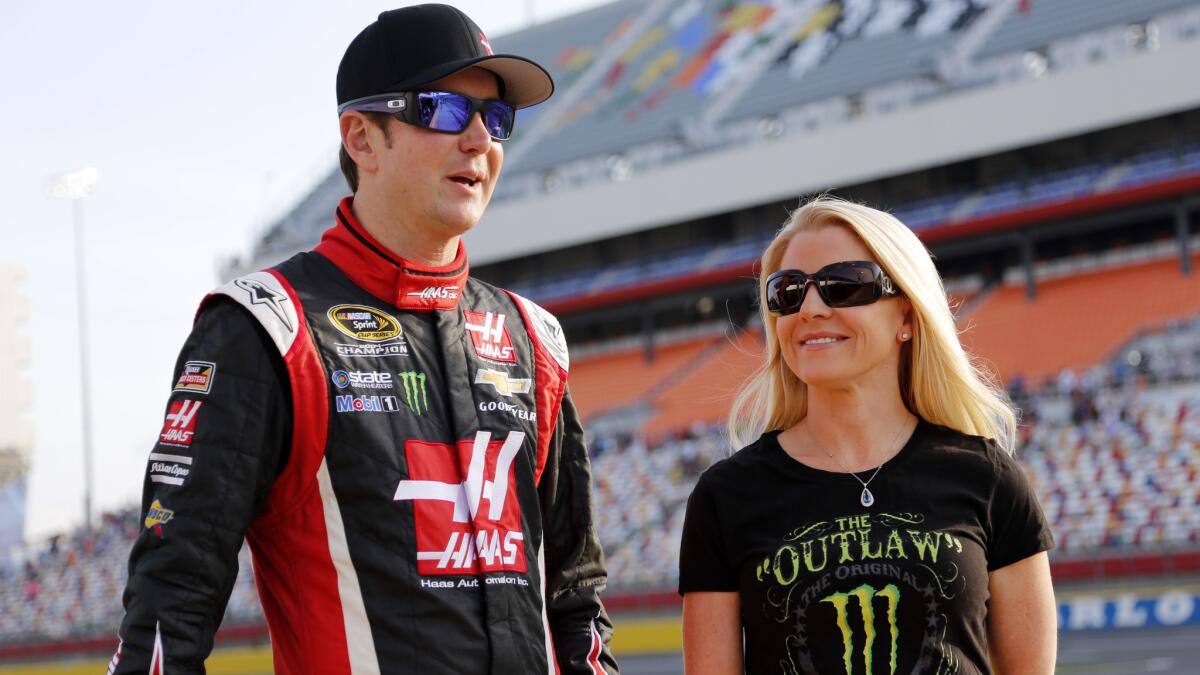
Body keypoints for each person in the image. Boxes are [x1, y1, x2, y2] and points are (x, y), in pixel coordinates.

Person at [109, 5, 618, 674]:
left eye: (496, 119)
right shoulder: (266, 326)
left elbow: (577, 599)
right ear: (362, 138)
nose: (478, 140)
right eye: (441, 109)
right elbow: (167, 608)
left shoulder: (534, 337)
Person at [678, 197, 1056, 674]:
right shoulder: (725, 496)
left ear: (906, 317)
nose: (810, 308)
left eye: (844, 285)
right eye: (788, 291)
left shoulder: (988, 477)